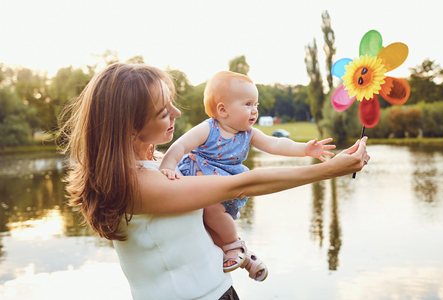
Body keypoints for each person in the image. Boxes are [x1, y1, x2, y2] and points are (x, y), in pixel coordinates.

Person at [59, 62, 370, 300]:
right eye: (163, 112)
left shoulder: (157, 166)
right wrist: (329, 170)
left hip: (219, 290)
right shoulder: (137, 185)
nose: (177, 113)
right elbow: (241, 185)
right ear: (129, 127)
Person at [159, 71, 336, 279]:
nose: (254, 111)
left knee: (214, 221)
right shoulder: (208, 129)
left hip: (228, 183)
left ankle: (237, 249)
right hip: (201, 177)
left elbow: (275, 143)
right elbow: (180, 145)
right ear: (223, 110)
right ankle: (242, 252)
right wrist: (168, 166)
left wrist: (304, 149)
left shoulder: (248, 134)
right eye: (248, 104)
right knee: (211, 223)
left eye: (256, 105)